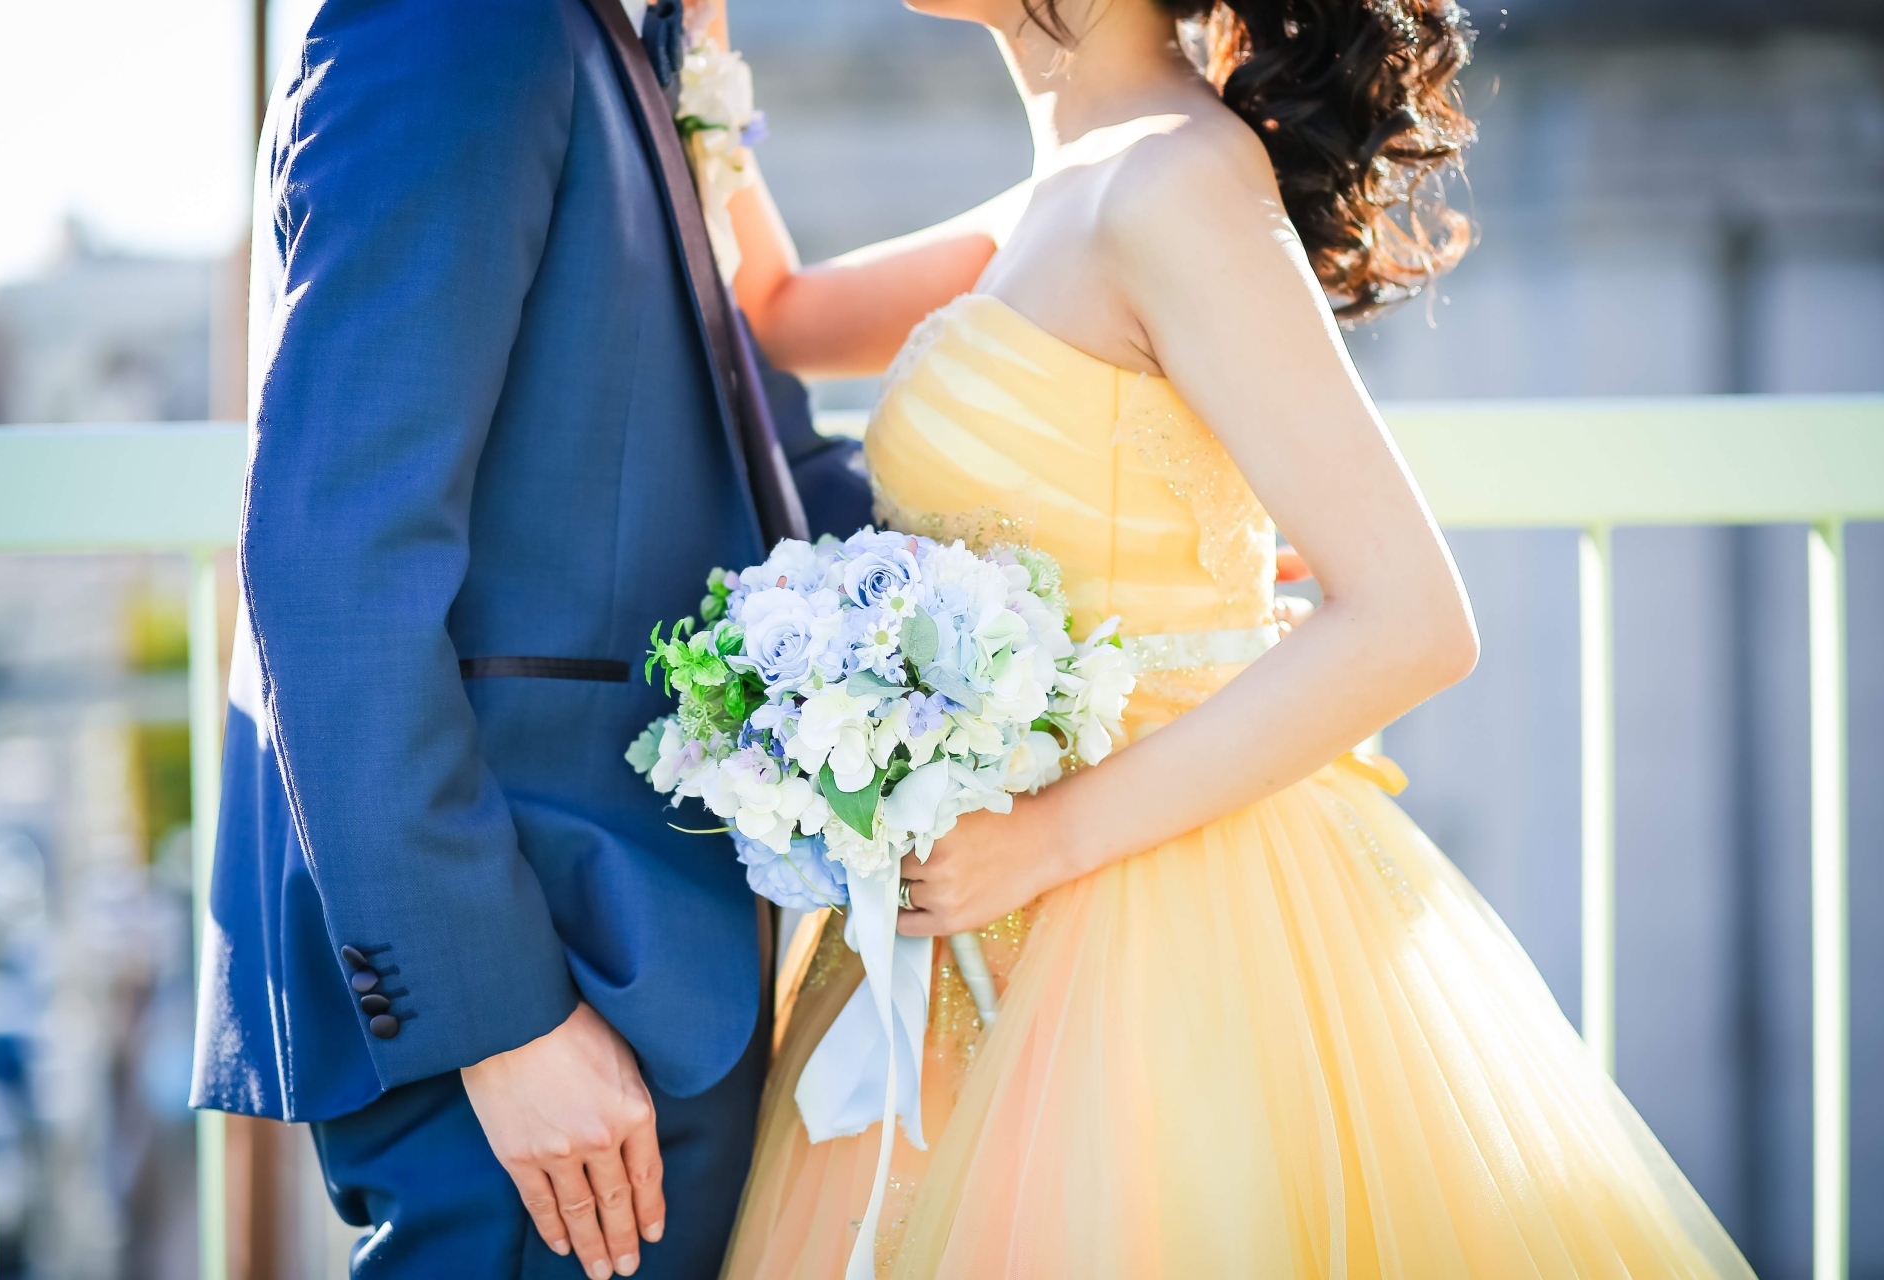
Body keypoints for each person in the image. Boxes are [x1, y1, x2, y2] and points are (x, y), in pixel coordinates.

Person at [713, 0, 1760, 1275]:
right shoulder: (1067, 186)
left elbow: (1413, 620)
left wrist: (1045, 839)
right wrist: (697, 40)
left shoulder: (1175, 177)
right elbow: (776, 308)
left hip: (1143, 911)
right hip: (976, 908)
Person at [185, 1, 981, 1277]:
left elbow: (762, 458)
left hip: (651, 963)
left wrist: (1104, 595)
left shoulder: (609, 40)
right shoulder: (455, 25)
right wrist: (501, 1023)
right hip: (537, 985)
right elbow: (332, 563)